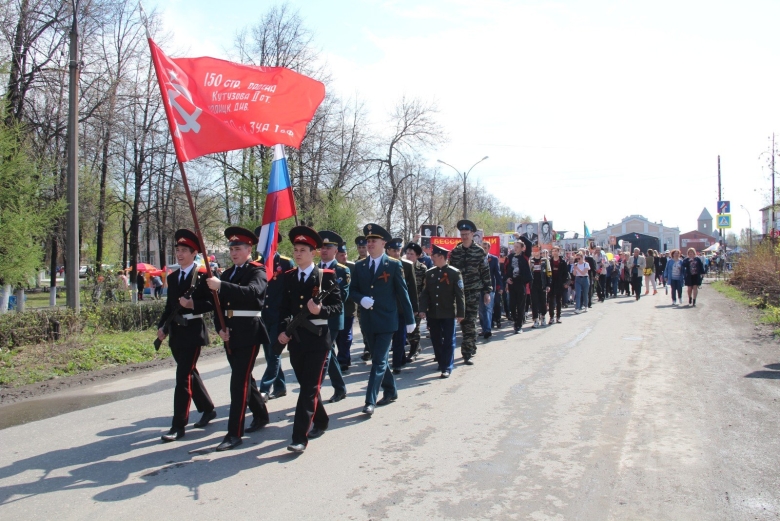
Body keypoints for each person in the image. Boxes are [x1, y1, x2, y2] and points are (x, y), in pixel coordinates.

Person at [276, 226, 342, 453]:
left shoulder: (326, 277)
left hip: (317, 340)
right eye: (295, 249)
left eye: (302, 249)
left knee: (309, 388)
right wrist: (283, 330)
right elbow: (283, 308)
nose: (297, 253)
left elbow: (338, 307)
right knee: (308, 387)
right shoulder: (288, 278)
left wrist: (320, 310)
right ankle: (321, 420)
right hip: (296, 340)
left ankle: (299, 438)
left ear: (313, 252)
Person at [206, 226, 271, 451]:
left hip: (249, 332)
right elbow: (218, 306)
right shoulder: (227, 273)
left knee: (238, 383)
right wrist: (219, 328)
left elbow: (254, 294)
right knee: (245, 378)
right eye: (231, 249)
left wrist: (221, 285)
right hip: (230, 332)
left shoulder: (257, 271)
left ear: (248, 249)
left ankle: (234, 433)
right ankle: (261, 414)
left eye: (238, 248)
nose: (234, 253)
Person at [156, 229, 216, 443]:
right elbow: (169, 306)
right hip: (176, 332)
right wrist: (162, 326)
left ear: (194, 253)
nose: (180, 254)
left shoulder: (201, 276)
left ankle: (178, 425)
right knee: (190, 373)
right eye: (178, 250)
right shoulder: (172, 278)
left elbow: (212, 304)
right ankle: (208, 409)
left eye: (184, 251)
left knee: (182, 377)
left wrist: (193, 305)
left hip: (193, 331)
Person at [349, 223, 415, 416]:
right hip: (368, 321)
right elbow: (352, 290)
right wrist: (361, 299)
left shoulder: (394, 265)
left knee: (378, 361)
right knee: (381, 360)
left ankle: (370, 401)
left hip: (387, 321)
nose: (369, 244)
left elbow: (403, 294)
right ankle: (391, 390)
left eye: (373, 241)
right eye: (368, 241)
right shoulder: (360, 266)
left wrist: (410, 319)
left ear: (383, 243)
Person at [448, 220, 493, 365]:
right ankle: (470, 345)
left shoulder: (479, 251)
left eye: (466, 234)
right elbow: (451, 273)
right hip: (459, 293)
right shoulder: (455, 252)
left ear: (472, 234)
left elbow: (485, 273)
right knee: (463, 321)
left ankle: (467, 352)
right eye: (462, 234)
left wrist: (487, 292)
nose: (464, 237)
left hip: (474, 291)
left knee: (471, 321)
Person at [418, 244, 465, 378]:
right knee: (436, 339)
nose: (432, 257)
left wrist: (460, 313)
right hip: (433, 313)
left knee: (449, 340)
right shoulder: (430, 273)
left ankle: (447, 366)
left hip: (448, 312)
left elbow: (459, 294)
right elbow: (425, 293)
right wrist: (422, 309)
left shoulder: (454, 273)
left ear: (442, 257)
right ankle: (441, 361)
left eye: (435, 255)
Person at [256, 231, 292, 401]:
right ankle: (280, 386)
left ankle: (264, 388)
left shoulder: (285, 263)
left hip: (279, 315)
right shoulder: (256, 265)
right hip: (263, 316)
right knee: (269, 353)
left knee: (274, 353)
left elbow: (291, 290)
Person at [317, 230, 350, 402]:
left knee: (325, 354)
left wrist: (321, 301)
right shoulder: (314, 268)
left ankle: (315, 391)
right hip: (316, 319)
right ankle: (340, 389)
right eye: (322, 247)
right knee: (329, 354)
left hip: (333, 318)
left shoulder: (342, 270)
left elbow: (342, 296)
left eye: (328, 247)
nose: (324, 250)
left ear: (335, 250)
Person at [385, 238, 418, 374]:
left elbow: (412, 289)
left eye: (399, 250)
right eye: (394, 251)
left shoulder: (407, 265)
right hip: (386, 307)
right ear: (388, 251)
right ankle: (400, 358)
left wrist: (414, 309)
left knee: (400, 337)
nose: (397, 253)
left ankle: (397, 363)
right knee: (388, 337)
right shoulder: (383, 264)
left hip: (401, 307)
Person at [403, 242, 428, 362]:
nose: (408, 256)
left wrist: (422, 307)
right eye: (407, 253)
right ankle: (414, 347)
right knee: (404, 329)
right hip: (403, 303)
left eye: (411, 254)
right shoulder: (401, 266)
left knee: (414, 329)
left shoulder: (422, 269)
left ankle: (414, 349)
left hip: (416, 303)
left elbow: (425, 289)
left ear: (418, 256)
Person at [335, 242, 356, 371]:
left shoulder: (353, 267)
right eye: (341, 255)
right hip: (334, 308)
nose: (344, 257)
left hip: (348, 307)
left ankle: (342, 359)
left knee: (346, 335)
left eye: (345, 254)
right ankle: (345, 358)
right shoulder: (332, 267)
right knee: (338, 336)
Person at [506, 237, 532, 333]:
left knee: (520, 305)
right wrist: (507, 279)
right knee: (512, 305)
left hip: (521, 283)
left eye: (517, 246)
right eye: (514, 246)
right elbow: (505, 270)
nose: (515, 248)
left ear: (522, 248)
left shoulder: (525, 256)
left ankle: (519, 326)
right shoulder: (510, 257)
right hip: (512, 284)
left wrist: (520, 237)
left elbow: (529, 243)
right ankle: (516, 321)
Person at [479, 240, 502, 338]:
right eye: (482, 247)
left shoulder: (494, 259)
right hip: (479, 288)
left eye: (485, 247)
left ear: (489, 248)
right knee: (481, 310)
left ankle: (488, 330)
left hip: (490, 288)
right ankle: (484, 328)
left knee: (488, 308)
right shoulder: (477, 259)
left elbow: (497, 274)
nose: (484, 249)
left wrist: (500, 286)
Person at [529, 249, 551, 327]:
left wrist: (548, 284)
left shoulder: (545, 260)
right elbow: (529, 272)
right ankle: (535, 319)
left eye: (537, 251)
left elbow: (549, 272)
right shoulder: (531, 261)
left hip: (542, 284)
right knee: (534, 302)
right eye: (534, 251)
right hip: (533, 284)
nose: (535, 252)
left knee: (543, 301)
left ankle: (543, 317)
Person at [547, 246, 569, 324]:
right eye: (553, 251)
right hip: (551, 283)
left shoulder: (562, 262)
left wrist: (564, 282)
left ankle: (558, 317)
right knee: (551, 300)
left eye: (556, 251)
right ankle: (551, 317)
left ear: (559, 252)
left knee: (558, 300)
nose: (554, 252)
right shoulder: (549, 261)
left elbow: (565, 273)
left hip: (559, 283)